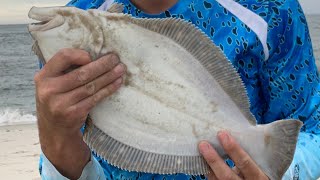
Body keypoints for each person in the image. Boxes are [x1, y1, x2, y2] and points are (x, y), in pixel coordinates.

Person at [35, 0, 320, 179]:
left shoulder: (269, 9)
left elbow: (313, 128)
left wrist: (277, 174)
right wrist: (54, 134)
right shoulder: (75, 22)